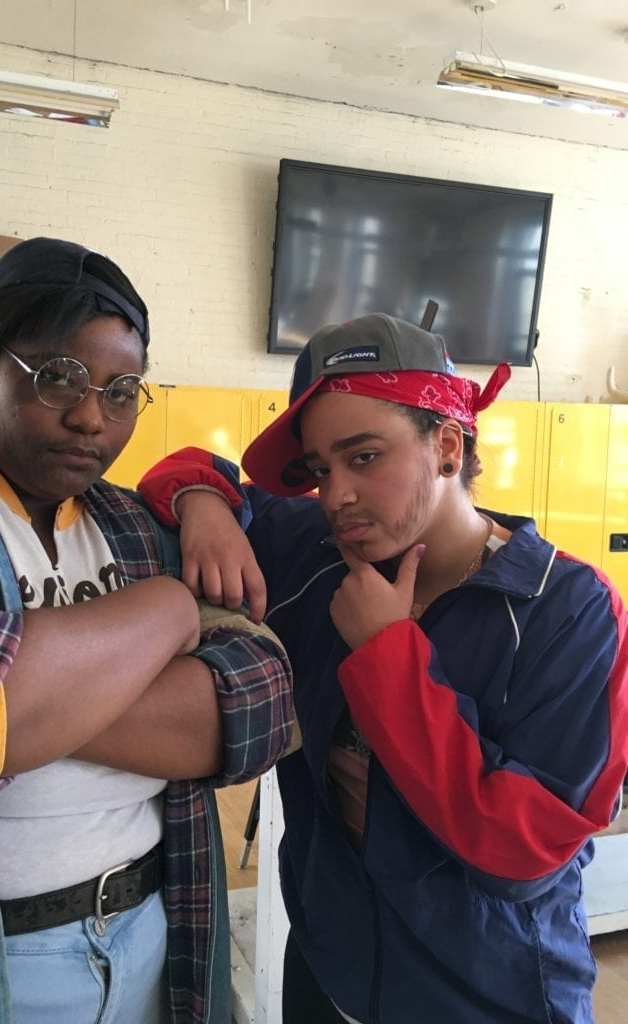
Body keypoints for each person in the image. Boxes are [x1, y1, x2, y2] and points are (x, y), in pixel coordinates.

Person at [138, 312, 628, 1024]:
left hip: (487, 995)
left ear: (448, 447)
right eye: (318, 469)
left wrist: (388, 656)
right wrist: (205, 504)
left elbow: (522, 853)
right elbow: (182, 467)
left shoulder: (568, 609)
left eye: (364, 457)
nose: (335, 495)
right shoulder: (315, 554)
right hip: (327, 971)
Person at [0, 236, 294, 1024]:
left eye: (122, 389)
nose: (92, 416)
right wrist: (166, 609)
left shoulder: (131, 521)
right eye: (58, 377)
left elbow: (260, 705)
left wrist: (30, 694)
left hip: (151, 932)